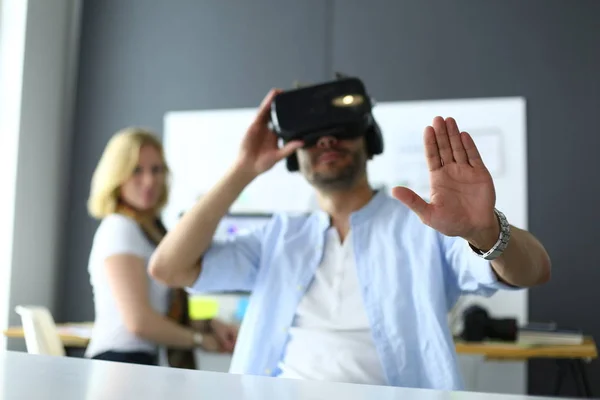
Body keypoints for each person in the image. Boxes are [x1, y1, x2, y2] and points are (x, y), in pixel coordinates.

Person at [148, 89, 551, 388]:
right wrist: (243, 169)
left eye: (340, 130)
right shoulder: (279, 236)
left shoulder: (424, 225)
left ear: (369, 139)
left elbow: (533, 270)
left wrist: (485, 232)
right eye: (312, 136)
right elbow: (169, 268)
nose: (326, 141)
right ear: (294, 156)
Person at [84, 127, 239, 367]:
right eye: (136, 170)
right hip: (117, 362)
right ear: (117, 176)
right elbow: (139, 322)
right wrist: (199, 339)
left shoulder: (150, 231)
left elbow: (163, 313)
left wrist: (209, 325)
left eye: (156, 170)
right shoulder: (120, 228)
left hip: (138, 361)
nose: (149, 180)